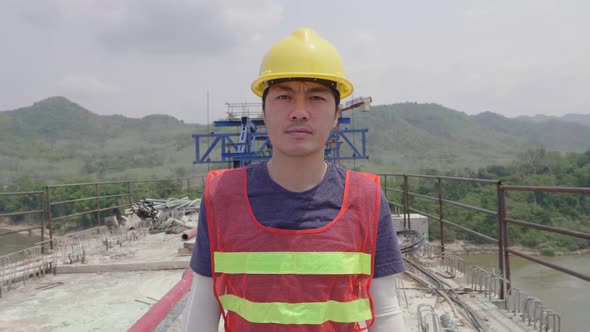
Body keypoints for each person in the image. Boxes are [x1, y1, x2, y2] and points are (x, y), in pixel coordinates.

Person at [184, 28, 407, 331]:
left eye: (316, 97)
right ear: (264, 111)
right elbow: (201, 309)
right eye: (284, 96)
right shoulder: (221, 196)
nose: (299, 112)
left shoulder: (366, 198)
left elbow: (387, 312)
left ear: (336, 115)